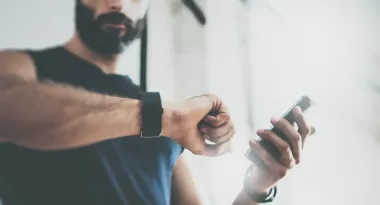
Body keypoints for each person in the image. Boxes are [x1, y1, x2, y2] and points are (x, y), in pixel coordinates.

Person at [0, 0, 314, 205]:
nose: (120, 4)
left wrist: (257, 186)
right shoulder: (21, 67)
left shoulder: (163, 117)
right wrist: (166, 118)